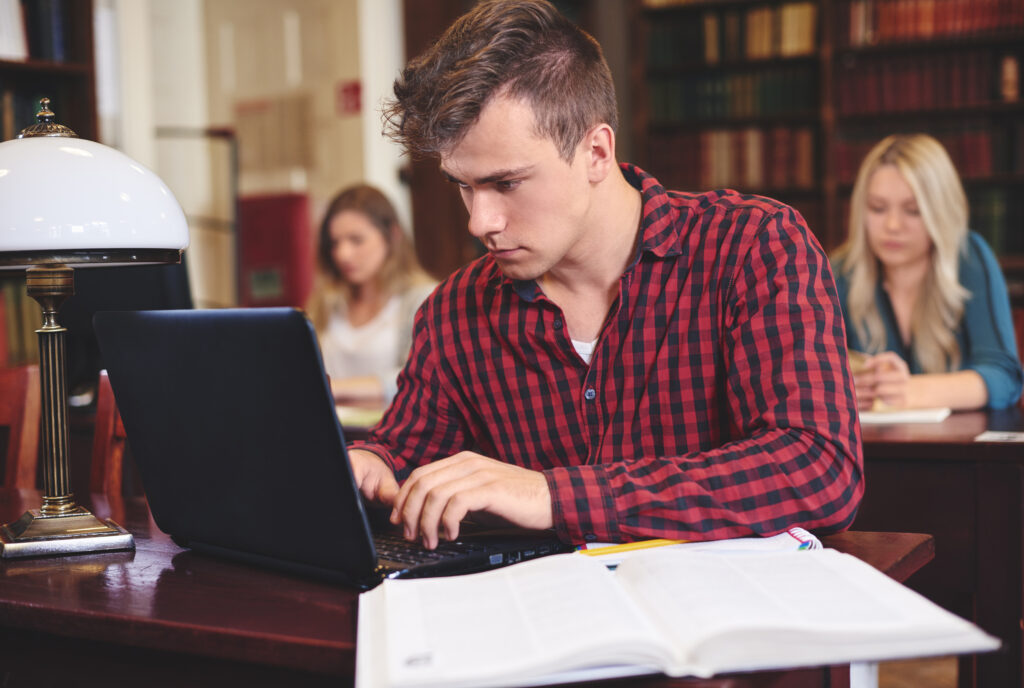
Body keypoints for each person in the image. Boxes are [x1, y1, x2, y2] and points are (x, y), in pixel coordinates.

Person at [347, 0, 863, 549]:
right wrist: (367, 465)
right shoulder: (454, 313)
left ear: (596, 151)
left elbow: (819, 468)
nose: (480, 222)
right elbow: (399, 454)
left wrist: (550, 496)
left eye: (507, 183)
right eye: (463, 186)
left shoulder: (753, 247)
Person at [831, 134, 1022, 411]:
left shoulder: (968, 257)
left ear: (940, 212)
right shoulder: (838, 273)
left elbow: (1004, 378)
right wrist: (839, 389)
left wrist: (908, 391)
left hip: (957, 449)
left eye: (913, 210)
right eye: (878, 208)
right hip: (869, 450)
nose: (893, 225)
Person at [306, 184, 436, 403]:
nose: (343, 254)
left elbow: (424, 377)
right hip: (331, 432)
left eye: (356, 240)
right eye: (335, 243)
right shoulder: (326, 301)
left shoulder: (424, 299)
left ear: (392, 235)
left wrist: (332, 388)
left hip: (392, 433)